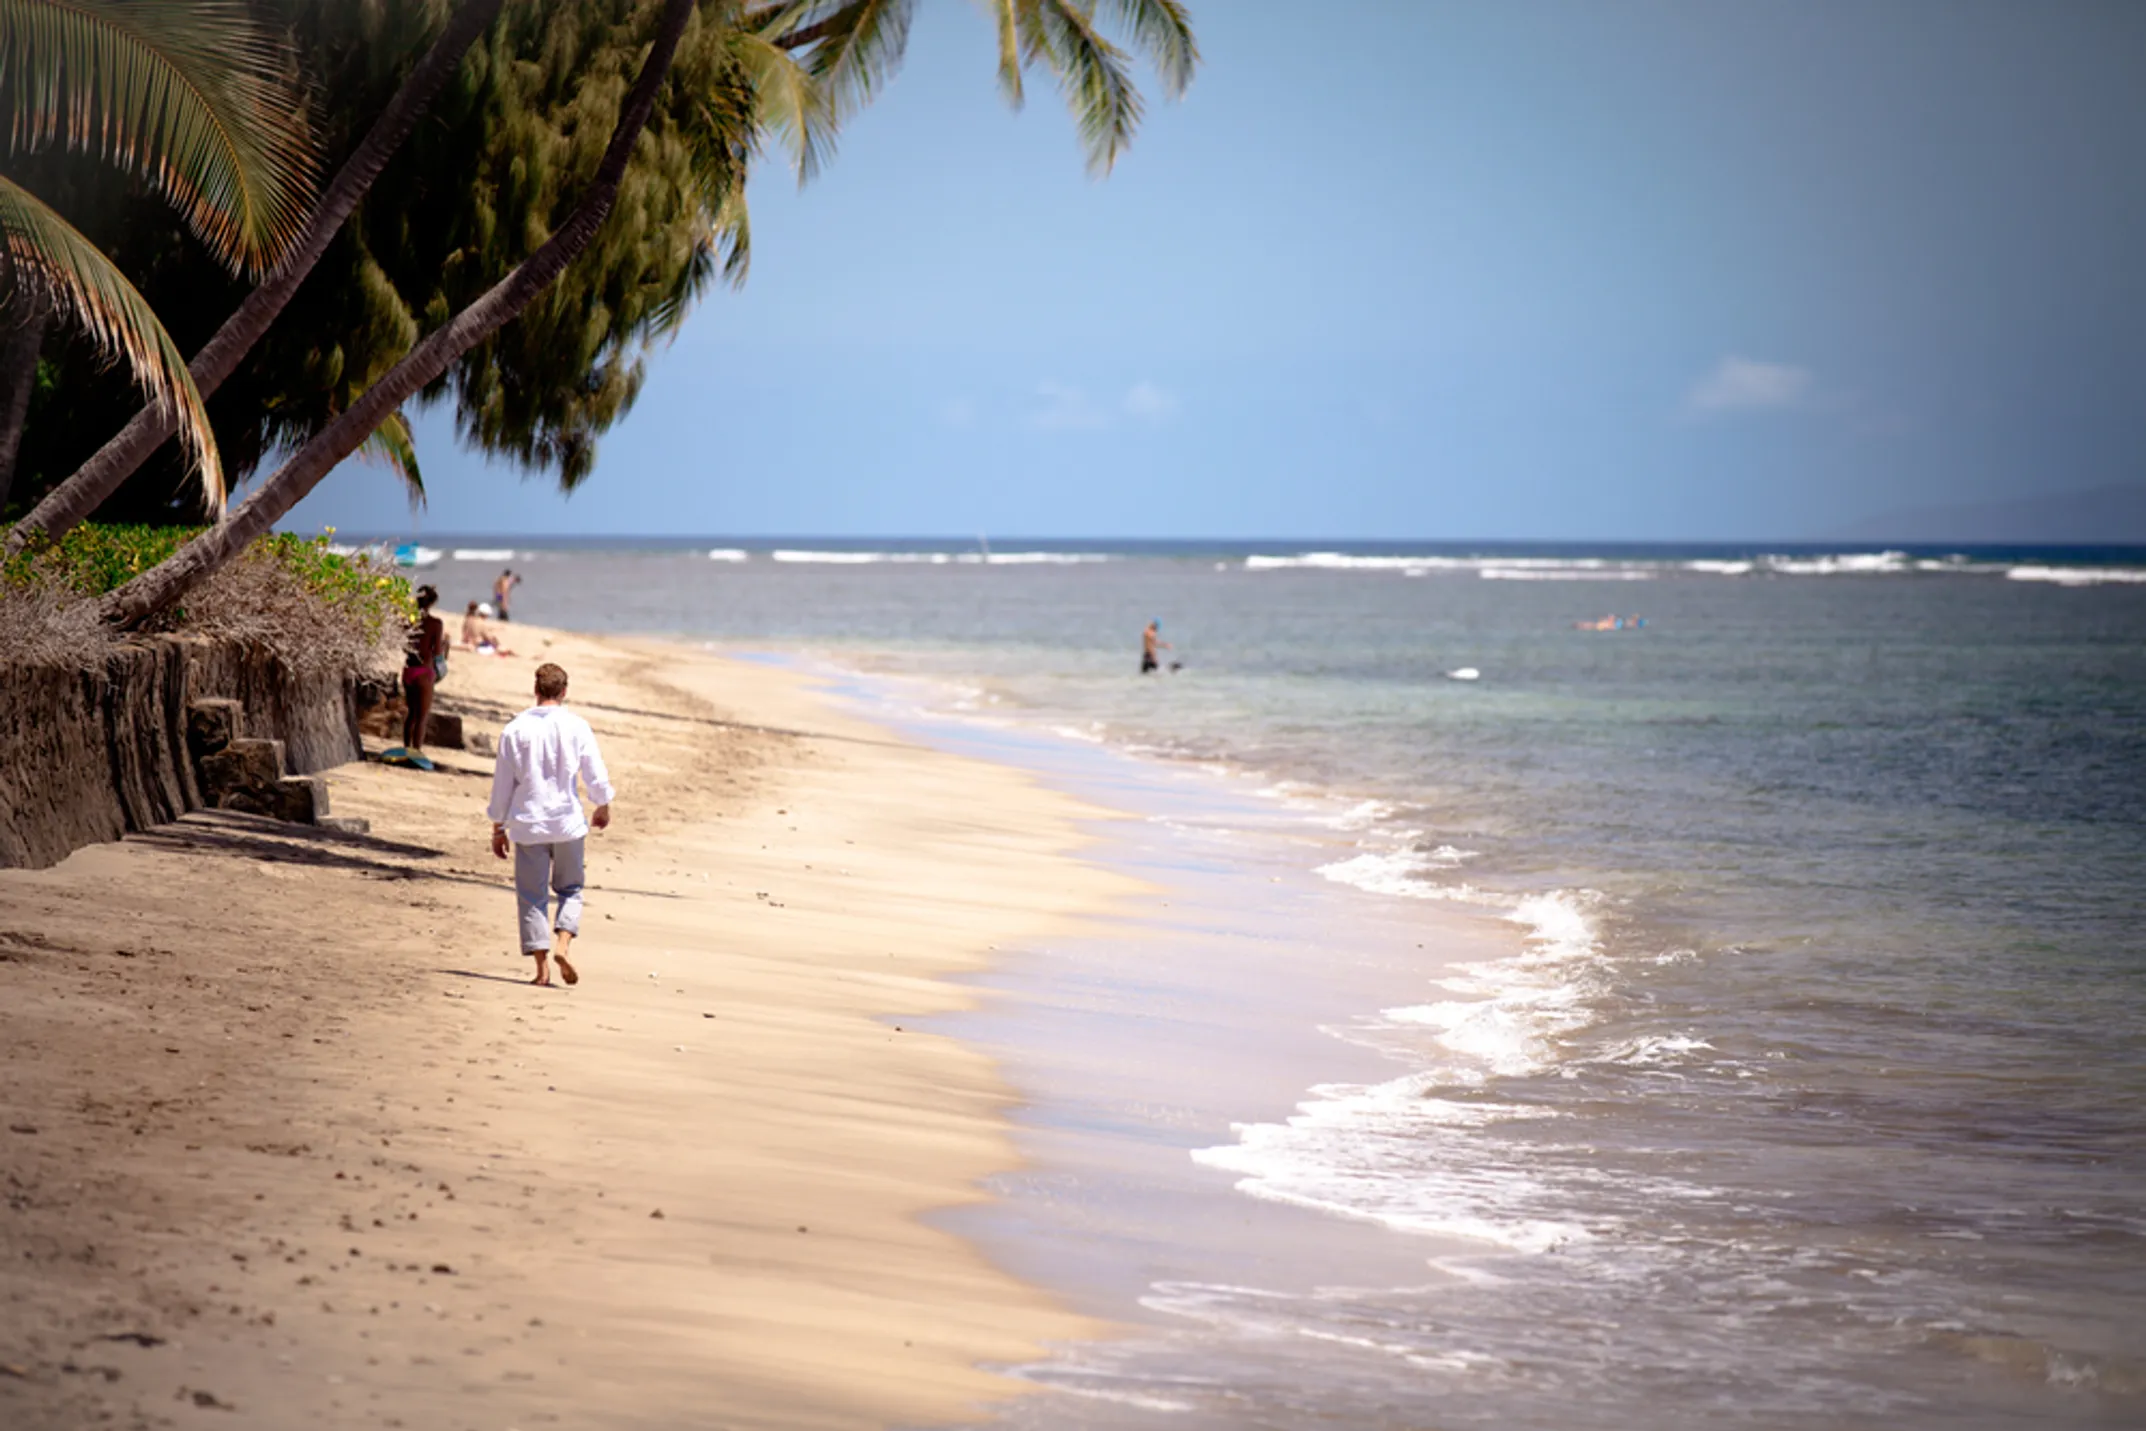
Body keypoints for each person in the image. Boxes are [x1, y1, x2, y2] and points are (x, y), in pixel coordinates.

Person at [487, 662, 615, 987]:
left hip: (528, 823)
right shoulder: (576, 726)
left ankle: (542, 971)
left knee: (531, 895)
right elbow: (593, 772)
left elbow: (503, 784)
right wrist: (602, 804)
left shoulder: (514, 729)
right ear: (564, 692)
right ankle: (563, 945)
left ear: (535, 690)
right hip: (567, 821)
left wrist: (498, 827)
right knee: (570, 888)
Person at [400, 585, 446, 756]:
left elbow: (405, 646)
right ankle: (416, 751)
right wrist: (444, 648)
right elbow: (437, 653)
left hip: (408, 671)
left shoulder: (407, 621)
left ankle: (406, 748)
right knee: (422, 716)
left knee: (411, 714)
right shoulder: (435, 624)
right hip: (424, 672)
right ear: (433, 603)